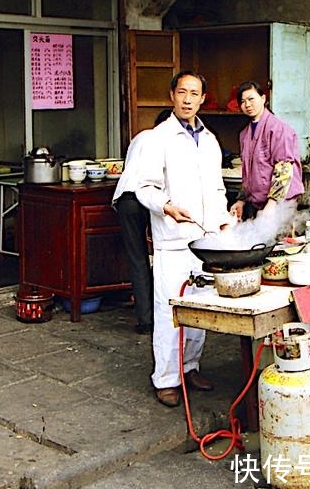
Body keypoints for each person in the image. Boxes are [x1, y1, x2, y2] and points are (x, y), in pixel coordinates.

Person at [136, 71, 231, 408]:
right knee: (170, 310)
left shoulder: (209, 140)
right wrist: (165, 207)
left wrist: (222, 222)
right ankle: (166, 379)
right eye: (182, 92)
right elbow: (143, 188)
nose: (188, 99)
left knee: (199, 309)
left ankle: (190, 367)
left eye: (195, 94)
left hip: (204, 240)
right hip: (173, 239)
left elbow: (218, 188)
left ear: (203, 98)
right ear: (171, 95)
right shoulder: (156, 139)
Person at [112, 109, 171, 335]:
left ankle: (145, 319)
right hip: (153, 199)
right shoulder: (168, 140)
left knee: (137, 258)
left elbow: (130, 168)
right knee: (164, 255)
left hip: (127, 198)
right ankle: (164, 313)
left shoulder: (140, 137)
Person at [230, 81, 304, 222]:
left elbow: (284, 168)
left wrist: (272, 203)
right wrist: (241, 201)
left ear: (263, 98)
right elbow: (248, 173)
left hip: (280, 205)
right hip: (257, 204)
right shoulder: (244, 134)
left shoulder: (278, 129)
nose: (247, 105)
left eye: (251, 99)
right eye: (243, 101)